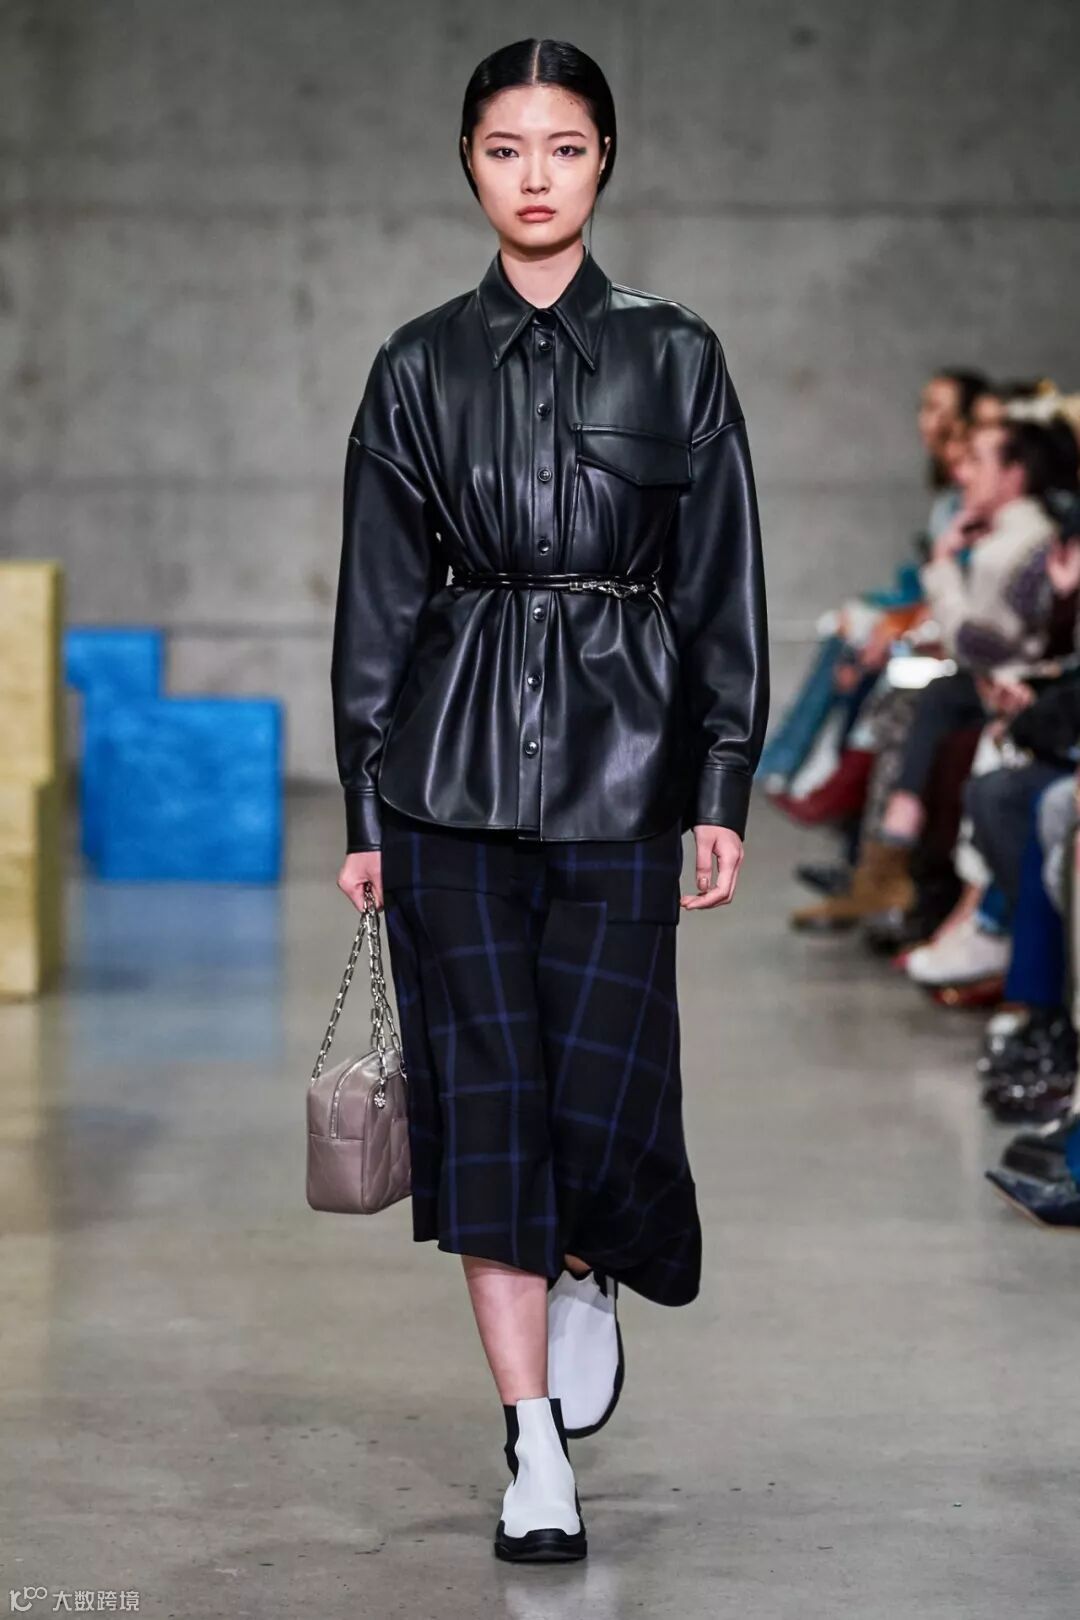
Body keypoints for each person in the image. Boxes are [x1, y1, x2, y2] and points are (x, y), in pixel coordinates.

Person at [329, 38, 770, 1564]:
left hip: (627, 768)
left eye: (564, 147)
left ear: (604, 161)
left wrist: (724, 779)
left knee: (603, 1096)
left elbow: (722, 582)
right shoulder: (415, 366)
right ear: (468, 162)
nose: (535, 176)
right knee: (490, 1112)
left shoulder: (676, 354)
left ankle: (591, 1262)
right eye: (506, 147)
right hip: (446, 778)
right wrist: (366, 812)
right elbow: (378, 603)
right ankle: (531, 1445)